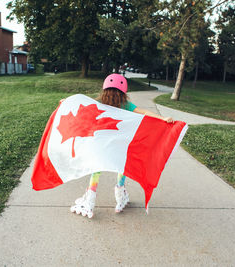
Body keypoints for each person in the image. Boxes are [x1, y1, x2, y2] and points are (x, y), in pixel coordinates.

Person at [70, 74, 174, 218]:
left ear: (104, 89)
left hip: (102, 144)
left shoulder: (99, 102)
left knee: (97, 168)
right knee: (121, 166)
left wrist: (66, 103)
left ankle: (90, 199)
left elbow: (83, 106)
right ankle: (120, 194)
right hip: (120, 144)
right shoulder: (126, 105)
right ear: (123, 91)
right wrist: (162, 118)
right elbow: (144, 112)